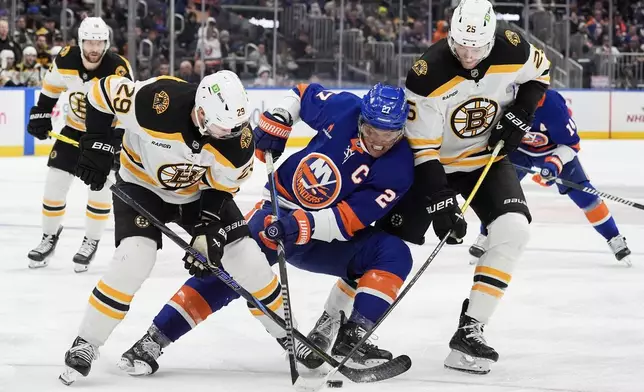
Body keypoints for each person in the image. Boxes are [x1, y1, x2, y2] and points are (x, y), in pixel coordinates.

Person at [118, 82, 414, 376]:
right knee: (230, 270)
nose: (378, 142)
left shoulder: (398, 167)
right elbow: (301, 94)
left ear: (401, 129)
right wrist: (281, 118)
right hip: (277, 210)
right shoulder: (345, 108)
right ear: (362, 118)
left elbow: (348, 218)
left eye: (389, 134)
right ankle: (154, 339)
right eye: (372, 130)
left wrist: (301, 226)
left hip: (324, 236)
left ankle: (351, 339)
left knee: (393, 254)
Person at [58, 70, 285, 386]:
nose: (227, 134)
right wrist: (96, 142)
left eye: (233, 128)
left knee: (245, 255)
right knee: (135, 257)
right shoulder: (156, 102)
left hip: (198, 195)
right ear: (201, 111)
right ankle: (86, 342)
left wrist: (209, 229)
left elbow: (221, 187)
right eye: (220, 127)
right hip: (141, 184)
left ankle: (288, 334)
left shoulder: (238, 140)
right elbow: (101, 93)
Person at [377, 0, 550, 374]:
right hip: (433, 164)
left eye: (477, 48)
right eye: (461, 46)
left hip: (484, 160)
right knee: (386, 243)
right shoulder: (427, 74)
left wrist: (522, 113)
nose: (468, 55)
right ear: (450, 35)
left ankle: (471, 330)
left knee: (513, 230)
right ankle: (338, 321)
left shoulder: (513, 46)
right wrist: (440, 203)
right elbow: (421, 148)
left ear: (490, 40)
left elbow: (540, 74)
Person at [469, 89, 632, 266]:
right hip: (519, 150)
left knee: (586, 196)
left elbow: (572, 145)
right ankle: (485, 234)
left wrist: (554, 165)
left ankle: (614, 237)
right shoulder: (503, 96)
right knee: (498, 191)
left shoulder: (552, 106)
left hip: (554, 149)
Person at [25, 17, 133, 272]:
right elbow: (50, 90)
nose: (94, 48)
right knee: (54, 186)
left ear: (106, 43)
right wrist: (41, 113)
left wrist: (117, 142)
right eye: (89, 42)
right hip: (72, 132)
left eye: (99, 42)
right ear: (80, 42)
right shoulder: (65, 59)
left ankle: (91, 240)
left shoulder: (118, 68)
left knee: (98, 192)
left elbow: (126, 111)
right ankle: (48, 237)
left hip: (103, 136)